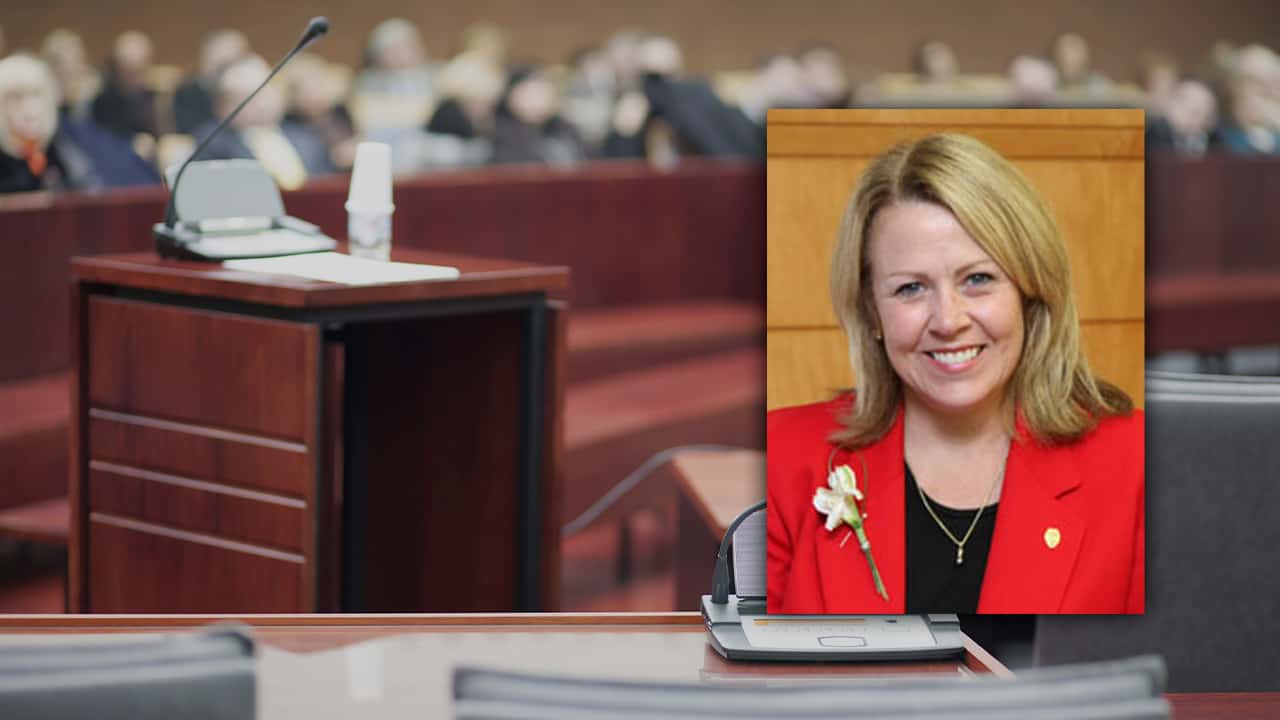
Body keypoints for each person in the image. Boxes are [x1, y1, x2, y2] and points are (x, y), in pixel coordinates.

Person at [767, 133, 1143, 615]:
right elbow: (755, 680)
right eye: (910, 289)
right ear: (871, 311)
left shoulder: (1135, 461)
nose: (948, 320)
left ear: (1030, 291)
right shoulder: (785, 456)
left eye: (978, 279)